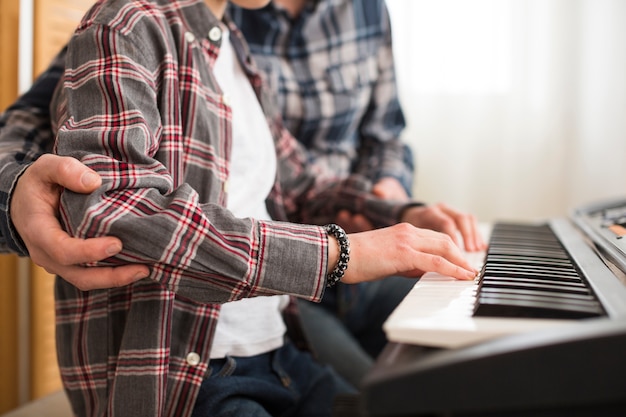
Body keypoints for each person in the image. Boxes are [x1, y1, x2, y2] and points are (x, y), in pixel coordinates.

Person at [0, 1, 483, 416]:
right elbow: (119, 210)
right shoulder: (125, 24)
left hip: (276, 345)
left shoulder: (232, 43)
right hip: (189, 372)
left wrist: (397, 214)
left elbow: (300, 182)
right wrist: (340, 253)